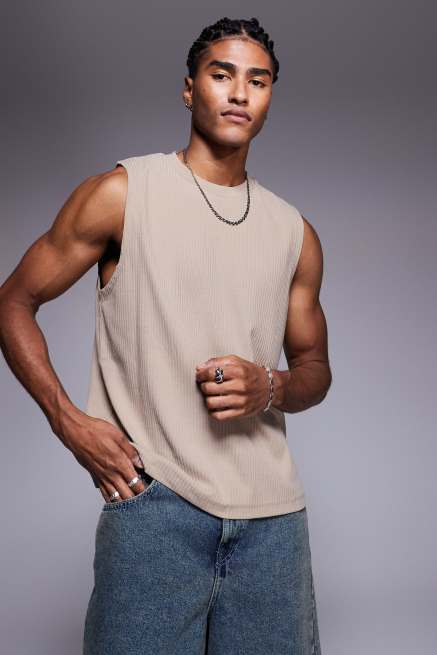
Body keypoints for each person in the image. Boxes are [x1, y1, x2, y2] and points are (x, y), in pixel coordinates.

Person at [0, 16, 331, 655]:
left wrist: (270, 386)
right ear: (189, 89)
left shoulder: (295, 232)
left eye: (257, 80)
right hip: (156, 508)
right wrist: (69, 422)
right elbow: (13, 301)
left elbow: (315, 369)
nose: (239, 92)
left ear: (269, 98)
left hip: (273, 524)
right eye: (221, 75)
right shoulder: (123, 194)